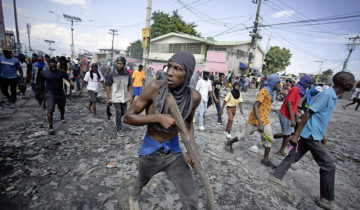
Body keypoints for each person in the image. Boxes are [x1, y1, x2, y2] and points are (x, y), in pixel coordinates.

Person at [123, 51, 201, 210]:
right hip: (151, 150)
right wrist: (158, 118)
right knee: (142, 180)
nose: (170, 73)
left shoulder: (194, 97)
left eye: (177, 69)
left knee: (191, 197)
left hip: (173, 151)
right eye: (169, 67)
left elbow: (188, 124)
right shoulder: (154, 88)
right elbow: (127, 117)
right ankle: (133, 198)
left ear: (187, 74)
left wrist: (191, 150)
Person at [270, 72, 355, 210]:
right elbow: (308, 113)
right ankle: (326, 199)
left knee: (293, 156)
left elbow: (320, 117)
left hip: (314, 134)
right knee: (328, 166)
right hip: (310, 134)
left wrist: (323, 135)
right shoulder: (327, 95)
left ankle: (276, 176)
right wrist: (296, 134)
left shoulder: (333, 96)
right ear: (344, 82)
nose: (353, 83)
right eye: (351, 81)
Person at [224, 74, 281, 168]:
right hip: (256, 119)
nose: (279, 85)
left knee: (269, 138)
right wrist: (260, 124)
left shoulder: (271, 92)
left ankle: (265, 159)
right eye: (278, 83)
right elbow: (255, 106)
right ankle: (229, 143)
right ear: (273, 82)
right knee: (245, 134)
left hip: (264, 119)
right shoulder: (264, 91)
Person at [273, 75, 313, 156]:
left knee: (289, 133)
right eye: (308, 83)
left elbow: (294, 103)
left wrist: (296, 112)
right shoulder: (296, 89)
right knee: (287, 134)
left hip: (289, 114)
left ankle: (277, 142)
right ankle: (280, 149)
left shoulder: (300, 90)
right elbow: (289, 102)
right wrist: (292, 118)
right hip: (285, 113)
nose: (308, 85)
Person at [40, 58, 72, 135]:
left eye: (55, 66)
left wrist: (70, 86)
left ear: (56, 65)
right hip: (50, 93)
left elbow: (67, 80)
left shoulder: (62, 73)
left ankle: (62, 117)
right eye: (52, 66)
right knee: (50, 110)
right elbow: (41, 84)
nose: (53, 68)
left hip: (60, 93)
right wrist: (41, 93)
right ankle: (50, 127)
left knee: (62, 107)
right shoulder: (44, 73)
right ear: (48, 65)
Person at [106, 57, 133, 135]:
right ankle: (119, 129)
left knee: (124, 112)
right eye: (118, 63)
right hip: (116, 96)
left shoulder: (127, 73)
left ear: (124, 64)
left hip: (124, 96)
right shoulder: (112, 73)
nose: (119, 65)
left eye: (121, 64)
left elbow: (130, 85)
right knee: (118, 112)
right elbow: (108, 86)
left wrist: (131, 96)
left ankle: (117, 120)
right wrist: (108, 98)